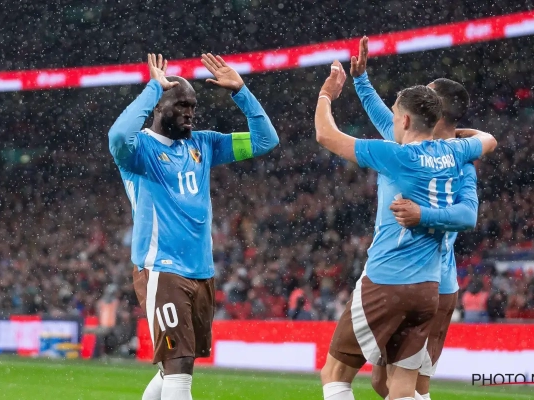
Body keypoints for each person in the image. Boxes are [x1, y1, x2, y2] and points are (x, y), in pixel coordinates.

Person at [315, 60, 496, 400]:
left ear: (415, 118)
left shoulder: (398, 155)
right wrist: (361, 80)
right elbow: (488, 139)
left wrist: (326, 94)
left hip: (397, 278)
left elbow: (326, 134)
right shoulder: (457, 153)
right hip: (429, 286)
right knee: (391, 385)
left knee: (336, 374)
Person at [108, 53, 278, 400]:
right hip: (161, 267)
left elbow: (265, 140)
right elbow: (118, 135)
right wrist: (153, 88)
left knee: (175, 364)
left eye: (193, 106)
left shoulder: (205, 143)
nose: (189, 112)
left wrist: (241, 91)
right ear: (158, 107)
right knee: (179, 364)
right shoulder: (140, 151)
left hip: (201, 270)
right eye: (181, 105)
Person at [349, 36, 481, 400]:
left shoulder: (460, 158)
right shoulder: (414, 148)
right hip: (409, 280)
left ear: (438, 110)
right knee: (382, 383)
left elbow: (467, 215)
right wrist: (361, 80)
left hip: (435, 284)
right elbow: (385, 119)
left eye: (428, 93)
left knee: (413, 386)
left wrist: (423, 215)